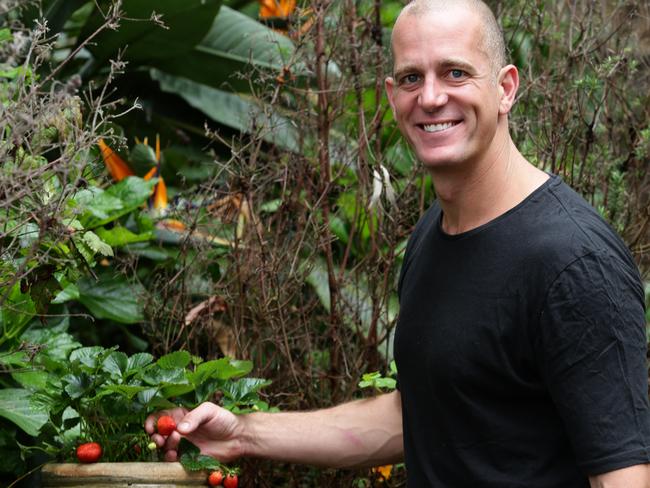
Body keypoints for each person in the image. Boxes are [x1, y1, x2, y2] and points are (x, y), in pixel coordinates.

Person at [146, 0, 650, 485]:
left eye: (455, 72)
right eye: (412, 77)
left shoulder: (573, 263)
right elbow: (420, 415)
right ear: (391, 95)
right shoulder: (436, 231)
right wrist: (243, 435)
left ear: (506, 88)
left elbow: (622, 476)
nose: (430, 97)